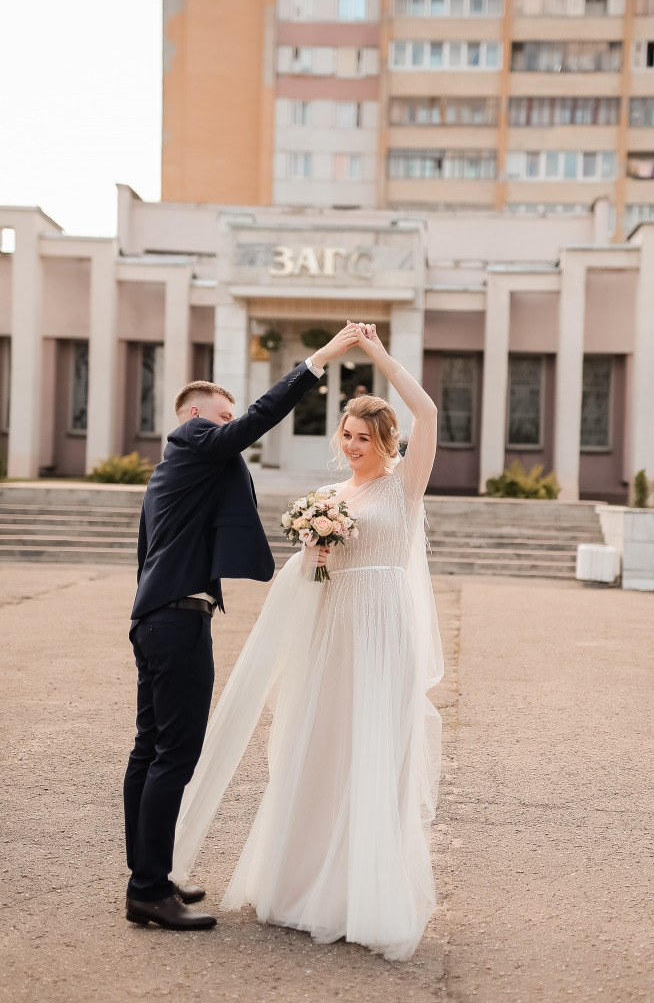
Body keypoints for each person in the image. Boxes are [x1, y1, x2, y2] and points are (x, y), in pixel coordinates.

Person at [171, 323, 444, 960]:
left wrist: (373, 355)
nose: (353, 446)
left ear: (387, 440)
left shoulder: (405, 488)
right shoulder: (328, 497)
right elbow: (312, 577)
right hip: (331, 633)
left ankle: (364, 893)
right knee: (317, 744)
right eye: (346, 435)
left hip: (381, 634)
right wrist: (316, 553)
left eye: (365, 437)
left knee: (373, 750)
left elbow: (426, 409)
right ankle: (302, 887)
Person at [123, 324, 359, 931]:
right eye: (222, 416)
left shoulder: (170, 473)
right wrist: (321, 360)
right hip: (176, 619)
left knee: (150, 750)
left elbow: (147, 552)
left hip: (156, 616)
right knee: (175, 753)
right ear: (198, 415)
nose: (232, 429)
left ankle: (147, 879)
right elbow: (256, 419)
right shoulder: (197, 438)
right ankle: (149, 889)